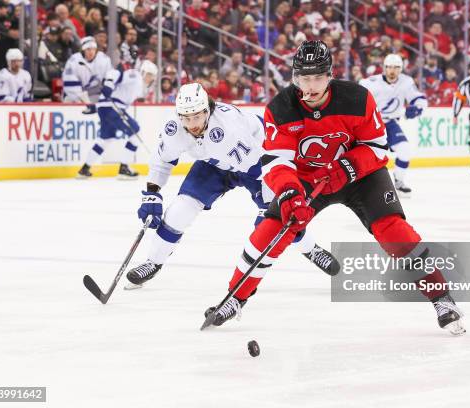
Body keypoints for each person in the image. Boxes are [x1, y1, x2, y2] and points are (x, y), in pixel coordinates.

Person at [204, 41, 465, 336]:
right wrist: (289, 192)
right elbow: (276, 161)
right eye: (304, 78)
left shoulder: (357, 99)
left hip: (360, 175)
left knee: (393, 231)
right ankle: (236, 297)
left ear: (329, 75)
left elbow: (378, 148)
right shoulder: (280, 108)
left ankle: (442, 298)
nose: (310, 86)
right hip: (306, 178)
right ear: (294, 77)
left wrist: (347, 168)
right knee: (271, 228)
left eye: (317, 77)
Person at [125, 83, 339, 288]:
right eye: (186, 118)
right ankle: (153, 262)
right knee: (181, 209)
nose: (193, 125)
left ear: (207, 111)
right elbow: (162, 159)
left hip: (259, 159)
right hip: (214, 163)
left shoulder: (229, 130)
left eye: (197, 117)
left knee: (279, 217)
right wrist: (152, 194)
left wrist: (268, 205)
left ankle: (311, 249)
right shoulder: (174, 129)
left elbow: (258, 167)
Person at [77, 60, 158, 179]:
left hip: (107, 108)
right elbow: (115, 73)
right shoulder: (135, 76)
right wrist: (109, 84)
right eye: (150, 75)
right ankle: (124, 169)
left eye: (152, 76)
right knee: (135, 133)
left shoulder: (139, 85)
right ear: (144, 72)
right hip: (112, 108)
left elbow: (119, 91)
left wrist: (98, 105)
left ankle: (84, 169)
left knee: (105, 140)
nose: (151, 79)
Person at [359, 54, 427, 195]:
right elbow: (358, 96)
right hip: (372, 124)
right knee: (369, 155)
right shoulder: (371, 82)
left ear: (401, 69)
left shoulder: (406, 82)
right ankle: (362, 185)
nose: (392, 70)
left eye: (396, 67)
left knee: (405, 149)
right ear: (384, 68)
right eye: (389, 67)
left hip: (390, 123)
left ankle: (399, 180)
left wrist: (417, 108)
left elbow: (419, 98)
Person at [62, 36, 112, 103]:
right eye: (88, 49)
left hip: (95, 94)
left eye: (93, 49)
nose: (91, 52)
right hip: (74, 96)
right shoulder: (73, 61)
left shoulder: (104, 59)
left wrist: (108, 92)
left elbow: (110, 78)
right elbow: (69, 84)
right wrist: (81, 99)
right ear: (83, 50)